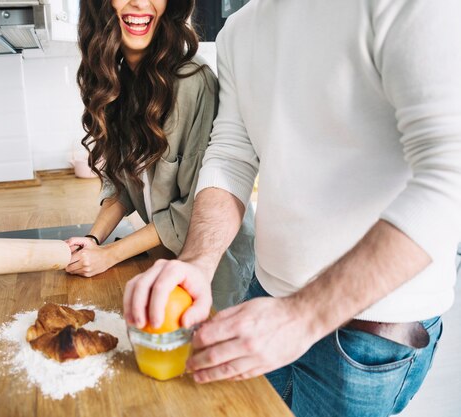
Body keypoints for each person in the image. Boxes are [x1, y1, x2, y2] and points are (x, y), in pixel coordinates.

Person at [123, 1, 461, 416]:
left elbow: (451, 179)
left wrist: (302, 316)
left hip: (368, 334)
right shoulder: (239, 29)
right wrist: (197, 259)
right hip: (266, 299)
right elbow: (232, 154)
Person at [66, 0, 256, 311]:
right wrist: (94, 239)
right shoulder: (117, 83)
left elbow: (191, 209)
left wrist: (110, 256)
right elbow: (122, 185)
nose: (140, 2)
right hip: (167, 259)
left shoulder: (193, 83)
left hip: (217, 268)